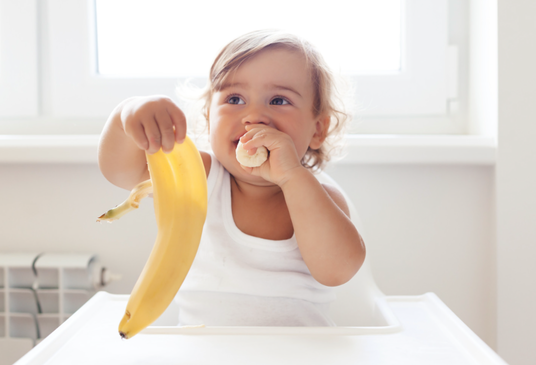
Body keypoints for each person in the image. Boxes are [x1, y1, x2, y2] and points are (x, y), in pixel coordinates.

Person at [98, 29, 366, 326]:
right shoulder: (199, 177)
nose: (254, 116)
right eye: (235, 98)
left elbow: (338, 270)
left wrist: (292, 177)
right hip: (205, 352)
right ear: (208, 117)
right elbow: (120, 172)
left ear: (318, 129)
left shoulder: (320, 196)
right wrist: (127, 114)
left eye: (278, 101)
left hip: (298, 353)